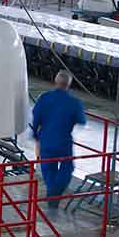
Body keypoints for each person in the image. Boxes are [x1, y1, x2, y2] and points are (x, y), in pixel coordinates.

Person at [31, 69, 87, 211]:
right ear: (68, 84)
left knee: (48, 169)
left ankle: (52, 195)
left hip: (46, 141)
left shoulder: (44, 98)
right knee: (67, 168)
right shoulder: (74, 102)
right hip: (63, 141)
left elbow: (35, 119)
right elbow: (82, 120)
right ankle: (55, 194)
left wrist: (36, 137)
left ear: (55, 81)